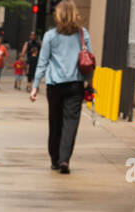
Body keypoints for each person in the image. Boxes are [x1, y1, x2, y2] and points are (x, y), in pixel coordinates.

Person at [31, 0, 93, 174]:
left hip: (55, 86)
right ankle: (65, 159)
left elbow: (42, 62)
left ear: (57, 15)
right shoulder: (82, 34)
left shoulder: (50, 36)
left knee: (55, 122)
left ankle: (55, 159)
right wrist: (90, 82)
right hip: (75, 85)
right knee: (71, 123)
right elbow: (89, 60)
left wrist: (35, 86)